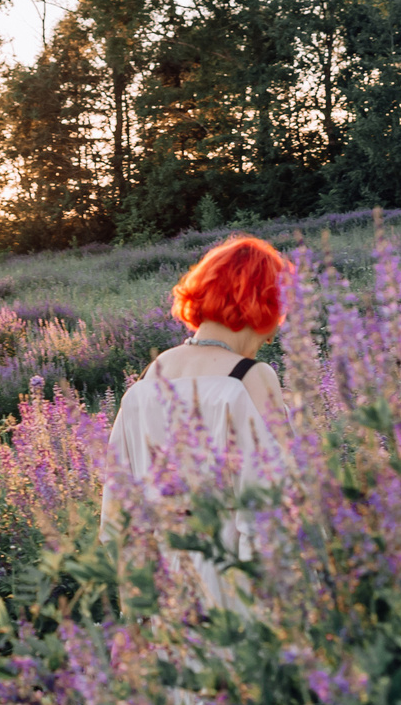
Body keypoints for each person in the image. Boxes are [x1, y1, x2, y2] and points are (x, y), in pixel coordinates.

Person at [102, 234, 295, 610]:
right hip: (233, 576)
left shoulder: (152, 375)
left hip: (168, 578)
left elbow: (119, 507)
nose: (272, 334)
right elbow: (275, 502)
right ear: (264, 304)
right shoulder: (251, 377)